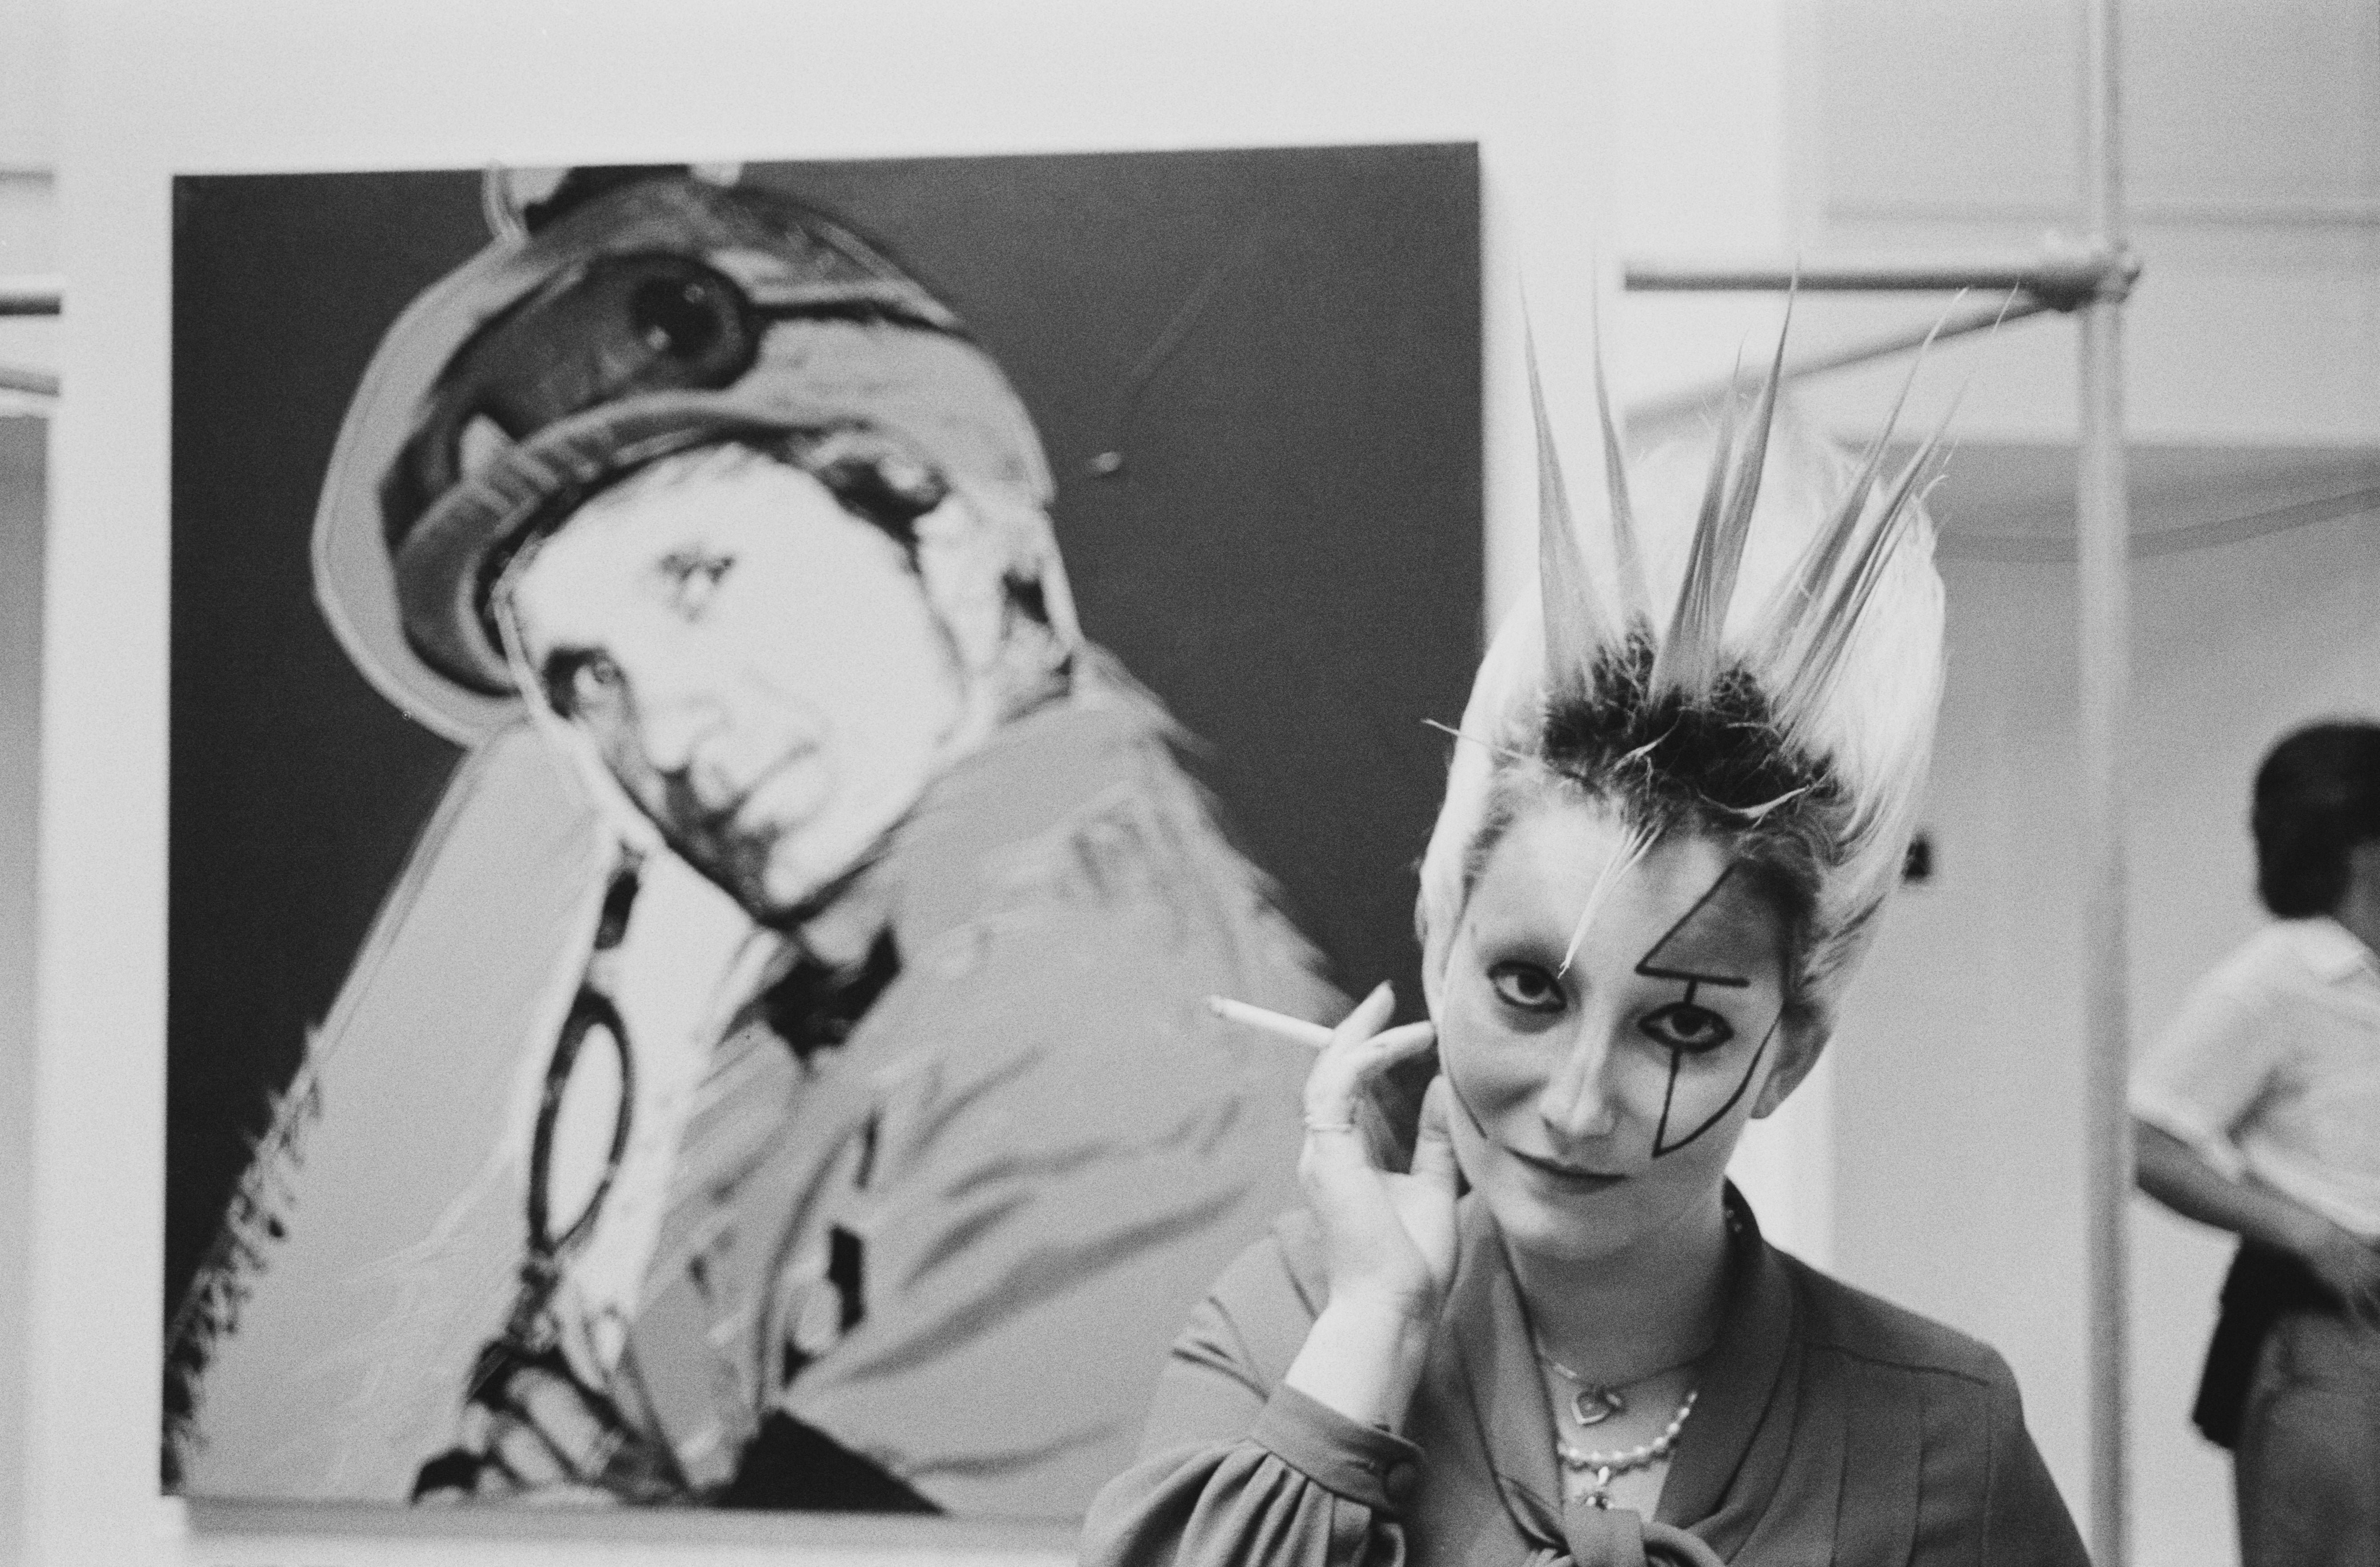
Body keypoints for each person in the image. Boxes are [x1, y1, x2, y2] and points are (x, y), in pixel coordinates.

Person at [167, 166, 1338, 1515]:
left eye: (699, 579)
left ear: (942, 518)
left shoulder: (1124, 1051)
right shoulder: (826, 1018)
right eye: (585, 679)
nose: (663, 730)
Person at [1081, 348, 2089, 1566]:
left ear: (1790, 1050)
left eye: (1684, 1026)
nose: (1575, 1101)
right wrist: (1374, 1330)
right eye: (1529, 988)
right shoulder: (1281, 1322)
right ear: (1440, 941)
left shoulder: (1940, 1430)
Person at [2131, 721, 2380, 1567]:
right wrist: (2312, 1235)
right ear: (2361, 845)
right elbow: (2145, 1141)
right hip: (2335, 1332)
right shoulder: (2276, 979)